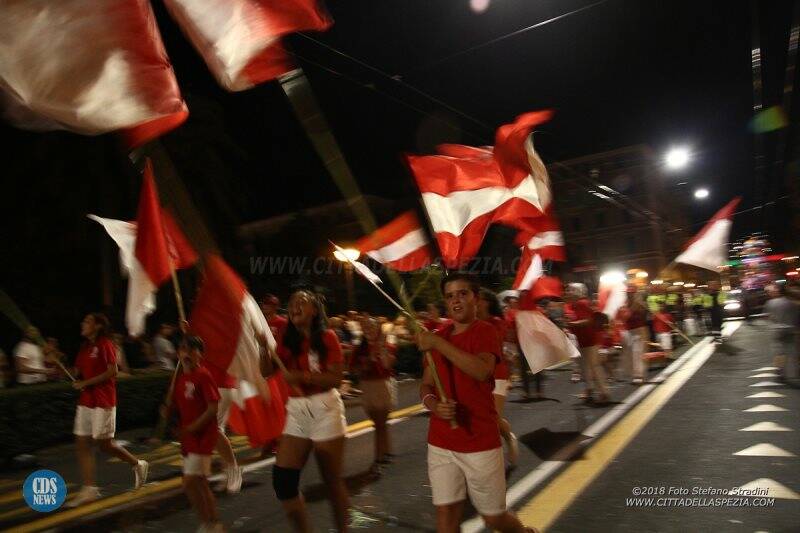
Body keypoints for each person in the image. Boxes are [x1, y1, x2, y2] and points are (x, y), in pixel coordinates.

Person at [417, 273, 536, 533]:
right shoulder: (438, 335)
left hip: (479, 442)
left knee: (494, 518)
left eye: (463, 293)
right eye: (449, 296)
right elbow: (426, 385)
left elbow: (481, 371)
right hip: (441, 441)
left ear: (475, 298)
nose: (456, 300)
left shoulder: (485, 331)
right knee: (446, 516)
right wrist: (433, 405)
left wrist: (437, 342)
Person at [260, 289, 350, 532]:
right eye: (291, 303)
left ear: (314, 311)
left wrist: (301, 375)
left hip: (325, 409)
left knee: (331, 482)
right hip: (297, 412)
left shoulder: (328, 337)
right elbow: (266, 371)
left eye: (302, 302)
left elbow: (335, 378)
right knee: (284, 482)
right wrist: (262, 346)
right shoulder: (285, 341)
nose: (294, 306)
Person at [68, 313, 149, 507]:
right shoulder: (85, 347)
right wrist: (54, 360)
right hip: (86, 400)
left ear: (97, 326)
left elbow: (113, 371)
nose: (83, 324)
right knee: (81, 442)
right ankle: (89, 489)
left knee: (103, 443)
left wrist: (85, 382)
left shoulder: (106, 344)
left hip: (103, 400)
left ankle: (137, 464)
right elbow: (76, 372)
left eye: (87, 321)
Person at [167, 335, 223, 532]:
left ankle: (212, 522)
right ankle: (208, 522)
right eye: (183, 349)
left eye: (192, 350)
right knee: (198, 483)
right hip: (189, 438)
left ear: (201, 354)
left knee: (192, 481)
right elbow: (177, 407)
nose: (187, 353)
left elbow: (212, 408)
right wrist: (168, 411)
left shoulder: (203, 375)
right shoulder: (181, 379)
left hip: (203, 436)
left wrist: (194, 427)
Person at [477, 288, 519, 466]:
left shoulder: (496, 323)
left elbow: (498, 345)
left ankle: (498, 452)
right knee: (483, 417)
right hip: (476, 375)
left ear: (486, 302)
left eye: (477, 298)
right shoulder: (468, 322)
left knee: (492, 418)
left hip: (498, 375)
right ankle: (507, 436)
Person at [352, 317, 397, 474]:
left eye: (371, 327)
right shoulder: (359, 349)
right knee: (379, 423)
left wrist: (381, 349)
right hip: (367, 387)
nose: (368, 330)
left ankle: (379, 458)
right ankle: (387, 451)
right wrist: (366, 362)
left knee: (379, 423)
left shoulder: (387, 345)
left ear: (378, 328)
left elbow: (387, 365)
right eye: (365, 327)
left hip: (382, 385)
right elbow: (355, 370)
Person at [565, 284, 609, 403]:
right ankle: (589, 390)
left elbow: (589, 320)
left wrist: (572, 324)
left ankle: (603, 392)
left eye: (570, 290)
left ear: (577, 292)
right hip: (582, 340)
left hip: (589, 340)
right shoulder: (573, 305)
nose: (567, 293)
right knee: (585, 368)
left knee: (594, 367)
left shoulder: (582, 303)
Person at [764, 283, 799, 380]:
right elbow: (796, 317)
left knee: (779, 352)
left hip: (776, 330)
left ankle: (780, 371)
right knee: (793, 351)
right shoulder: (790, 303)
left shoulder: (770, 303)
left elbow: (768, 317)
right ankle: (796, 371)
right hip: (790, 329)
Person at [621, 290, 649, 384]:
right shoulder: (625, 305)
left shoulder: (640, 304)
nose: (629, 295)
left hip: (639, 331)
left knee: (637, 353)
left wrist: (641, 305)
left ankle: (639, 375)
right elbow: (625, 317)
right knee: (630, 354)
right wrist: (633, 307)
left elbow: (647, 313)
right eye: (628, 294)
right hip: (629, 332)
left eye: (631, 293)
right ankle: (634, 374)